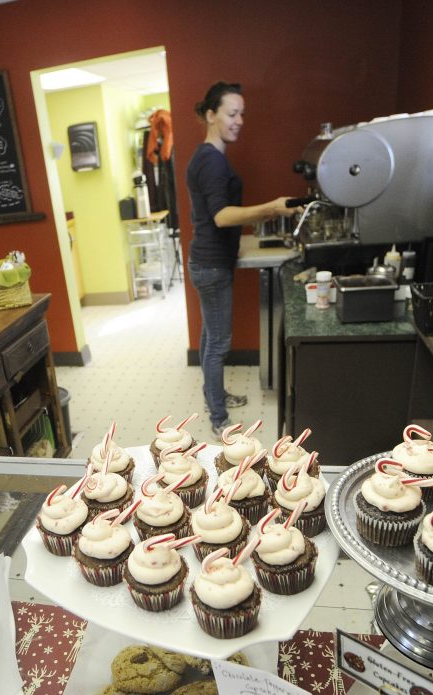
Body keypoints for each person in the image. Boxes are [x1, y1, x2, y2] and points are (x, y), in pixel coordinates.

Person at [186, 81, 300, 439]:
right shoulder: (212, 162)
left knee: (210, 337)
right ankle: (218, 418)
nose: (239, 121)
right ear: (211, 115)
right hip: (211, 266)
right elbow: (220, 216)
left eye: (241, 114)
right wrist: (269, 209)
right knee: (219, 342)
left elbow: (210, 215)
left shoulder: (208, 158)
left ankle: (214, 397)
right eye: (231, 113)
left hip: (210, 260)